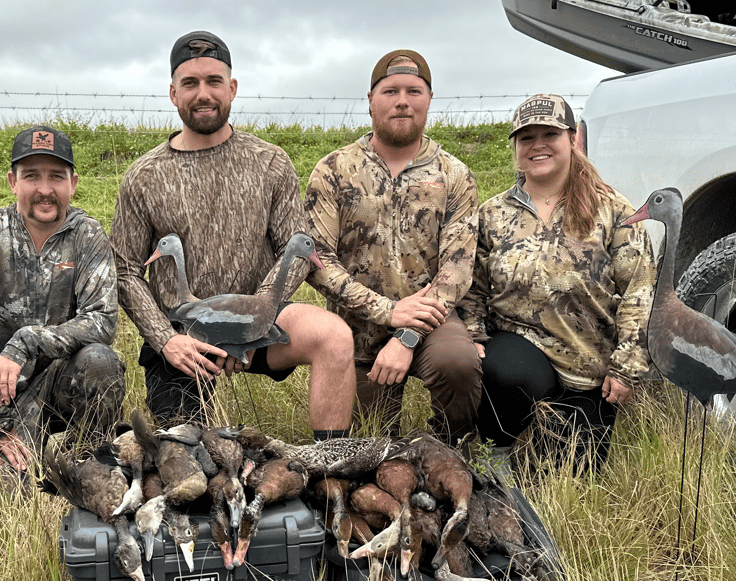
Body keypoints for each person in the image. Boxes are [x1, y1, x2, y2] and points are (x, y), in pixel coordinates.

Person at [110, 30, 355, 435]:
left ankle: (327, 470)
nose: (202, 93)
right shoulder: (144, 176)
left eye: (213, 81)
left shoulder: (270, 162)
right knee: (188, 459)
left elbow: (294, 250)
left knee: (333, 335)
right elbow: (124, 271)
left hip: (260, 322)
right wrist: (165, 340)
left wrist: (253, 316)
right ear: (173, 93)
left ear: (233, 88)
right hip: (184, 334)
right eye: (190, 83)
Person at [458, 94, 656, 472]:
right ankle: (492, 454)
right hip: (516, 354)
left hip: (586, 370)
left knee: (565, 477)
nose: (538, 145)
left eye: (549, 133)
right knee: (510, 373)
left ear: (573, 140)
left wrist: (626, 366)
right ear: (515, 148)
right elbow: (473, 286)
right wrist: (474, 336)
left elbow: (641, 291)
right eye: (526, 137)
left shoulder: (614, 210)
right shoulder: (493, 213)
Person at [304, 49, 481, 447]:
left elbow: (457, 269)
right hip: (356, 325)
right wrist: (386, 311)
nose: (402, 100)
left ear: (429, 99)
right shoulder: (334, 169)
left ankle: (455, 450)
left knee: (458, 363)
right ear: (370, 100)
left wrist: (406, 335)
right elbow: (316, 260)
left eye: (414, 91)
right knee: (370, 446)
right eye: (390, 91)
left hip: (431, 320)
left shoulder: (455, 175)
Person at [0, 125, 124, 473]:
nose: (44, 190)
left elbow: (102, 320)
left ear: (72, 184)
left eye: (56, 177)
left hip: (59, 390)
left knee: (100, 360)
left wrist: (27, 340)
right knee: (6, 492)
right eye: (32, 176)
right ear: (12, 182)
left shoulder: (87, 235)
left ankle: (89, 459)